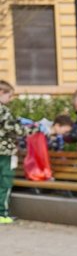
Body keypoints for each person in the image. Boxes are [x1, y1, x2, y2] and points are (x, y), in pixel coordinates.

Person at [0, 80, 28, 225]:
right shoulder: (3, 111)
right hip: (4, 152)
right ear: (1, 93)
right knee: (5, 182)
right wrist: (33, 128)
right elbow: (14, 130)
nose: (10, 100)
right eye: (9, 96)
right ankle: (3, 214)